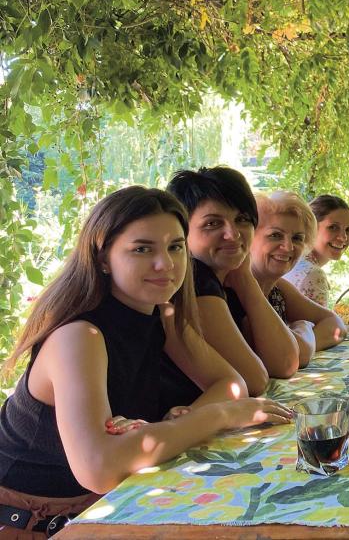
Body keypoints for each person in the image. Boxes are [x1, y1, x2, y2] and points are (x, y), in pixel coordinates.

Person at [0, 187, 292, 538]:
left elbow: (231, 384)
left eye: (175, 246)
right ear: (104, 258)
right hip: (36, 518)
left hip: (111, 502)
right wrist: (217, 416)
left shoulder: (162, 315)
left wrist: (176, 422)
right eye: (142, 249)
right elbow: (100, 466)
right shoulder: (80, 336)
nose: (166, 264)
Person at [167, 167, 300, 396]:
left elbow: (284, 363)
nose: (233, 234)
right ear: (181, 230)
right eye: (213, 223)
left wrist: (246, 281)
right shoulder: (193, 278)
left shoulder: (229, 278)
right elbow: (254, 380)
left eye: (242, 219)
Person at [250, 191, 347, 365]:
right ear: (250, 237)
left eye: (297, 238)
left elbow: (336, 325)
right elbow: (285, 361)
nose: (288, 247)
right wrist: (303, 328)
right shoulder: (237, 290)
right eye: (275, 235)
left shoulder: (278, 288)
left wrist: (301, 344)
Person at [283, 194, 349, 307]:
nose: (343, 237)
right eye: (333, 227)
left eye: (348, 229)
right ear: (311, 228)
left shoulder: (292, 261)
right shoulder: (313, 273)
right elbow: (317, 325)